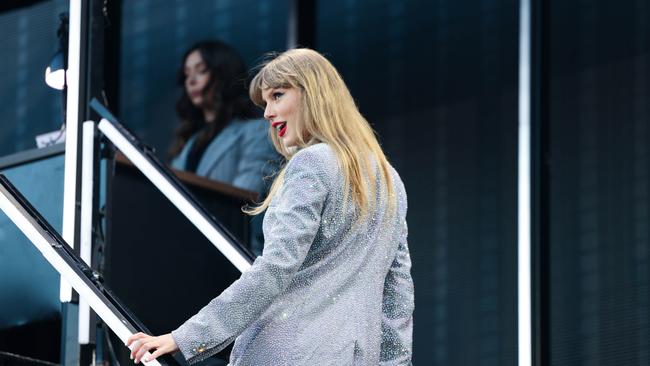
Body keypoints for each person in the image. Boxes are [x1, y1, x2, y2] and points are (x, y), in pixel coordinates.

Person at [128, 48, 414, 365]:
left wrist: (187, 337)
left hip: (291, 351)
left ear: (314, 94)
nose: (267, 112)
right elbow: (397, 299)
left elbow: (275, 268)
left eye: (277, 95)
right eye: (265, 102)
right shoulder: (390, 181)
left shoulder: (312, 163)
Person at [169, 40, 278, 195]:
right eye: (187, 74)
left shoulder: (257, 131)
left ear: (223, 74)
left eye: (201, 71)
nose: (191, 81)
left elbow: (246, 195)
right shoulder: (189, 142)